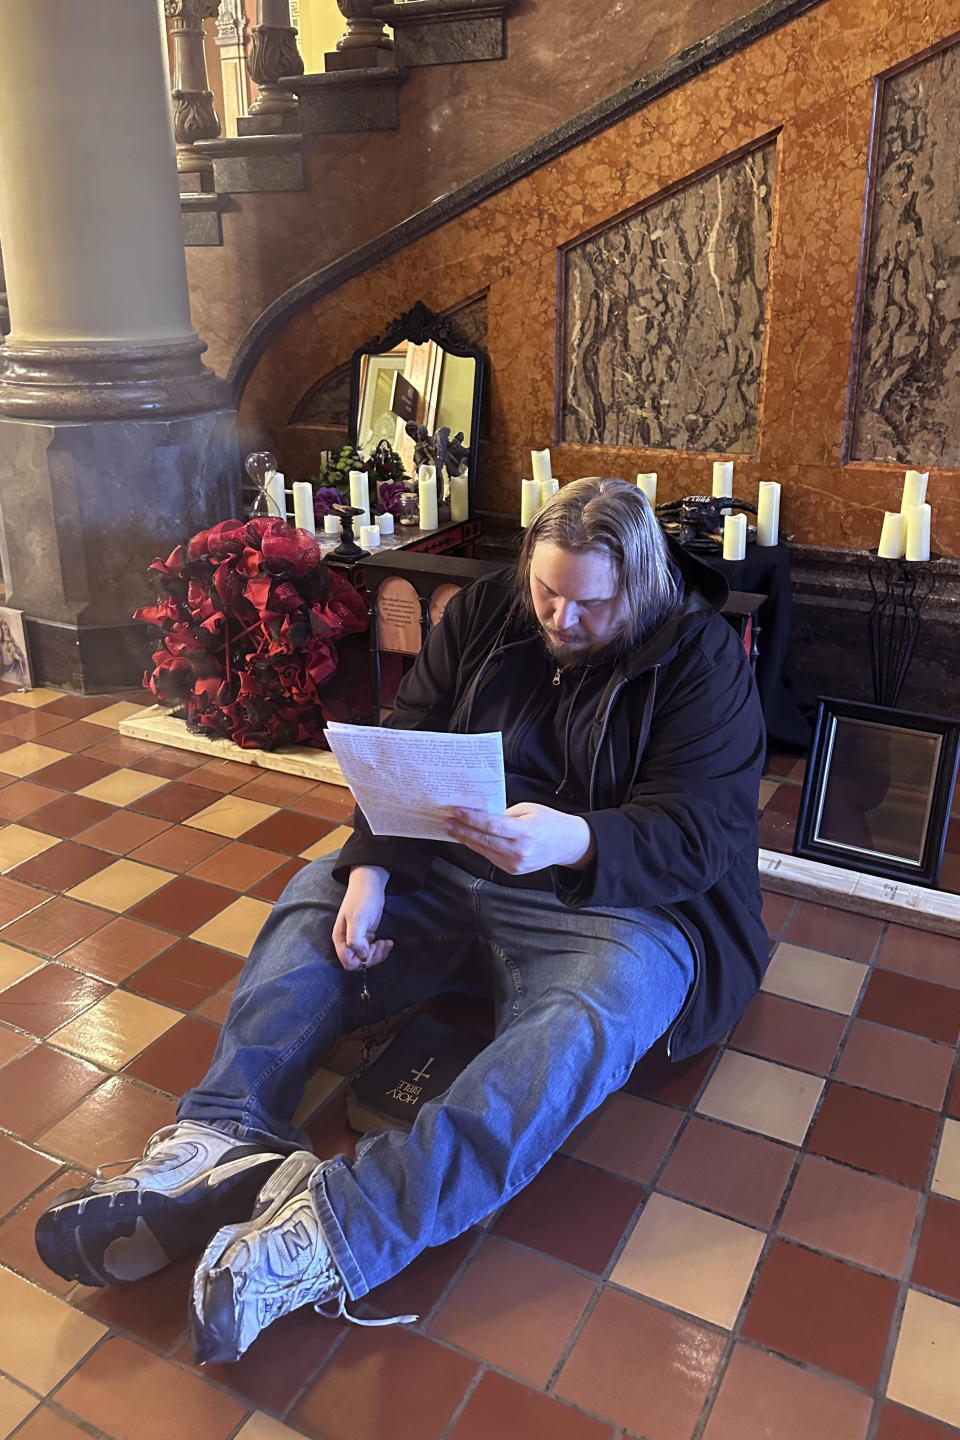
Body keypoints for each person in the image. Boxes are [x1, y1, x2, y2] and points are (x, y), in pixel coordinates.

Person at [35, 476, 768, 1365]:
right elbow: (411, 740)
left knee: (589, 1017)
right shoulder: (490, 611)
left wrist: (575, 840)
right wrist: (374, 870)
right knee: (317, 898)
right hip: (454, 867)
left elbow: (708, 832)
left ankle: (345, 1225)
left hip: (616, 903)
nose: (559, 620)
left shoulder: (700, 656)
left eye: (587, 603)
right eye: (546, 590)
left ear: (640, 584)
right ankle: (222, 1135)